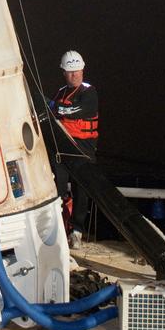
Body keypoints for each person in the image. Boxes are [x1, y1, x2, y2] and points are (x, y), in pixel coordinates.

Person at [49, 50, 99, 246]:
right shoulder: (60, 92)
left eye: (77, 71)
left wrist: (58, 108)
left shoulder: (89, 92)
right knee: (57, 188)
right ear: (64, 73)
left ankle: (77, 231)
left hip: (83, 148)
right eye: (70, 72)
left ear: (83, 70)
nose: (74, 75)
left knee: (82, 190)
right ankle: (60, 227)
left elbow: (79, 110)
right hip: (62, 147)